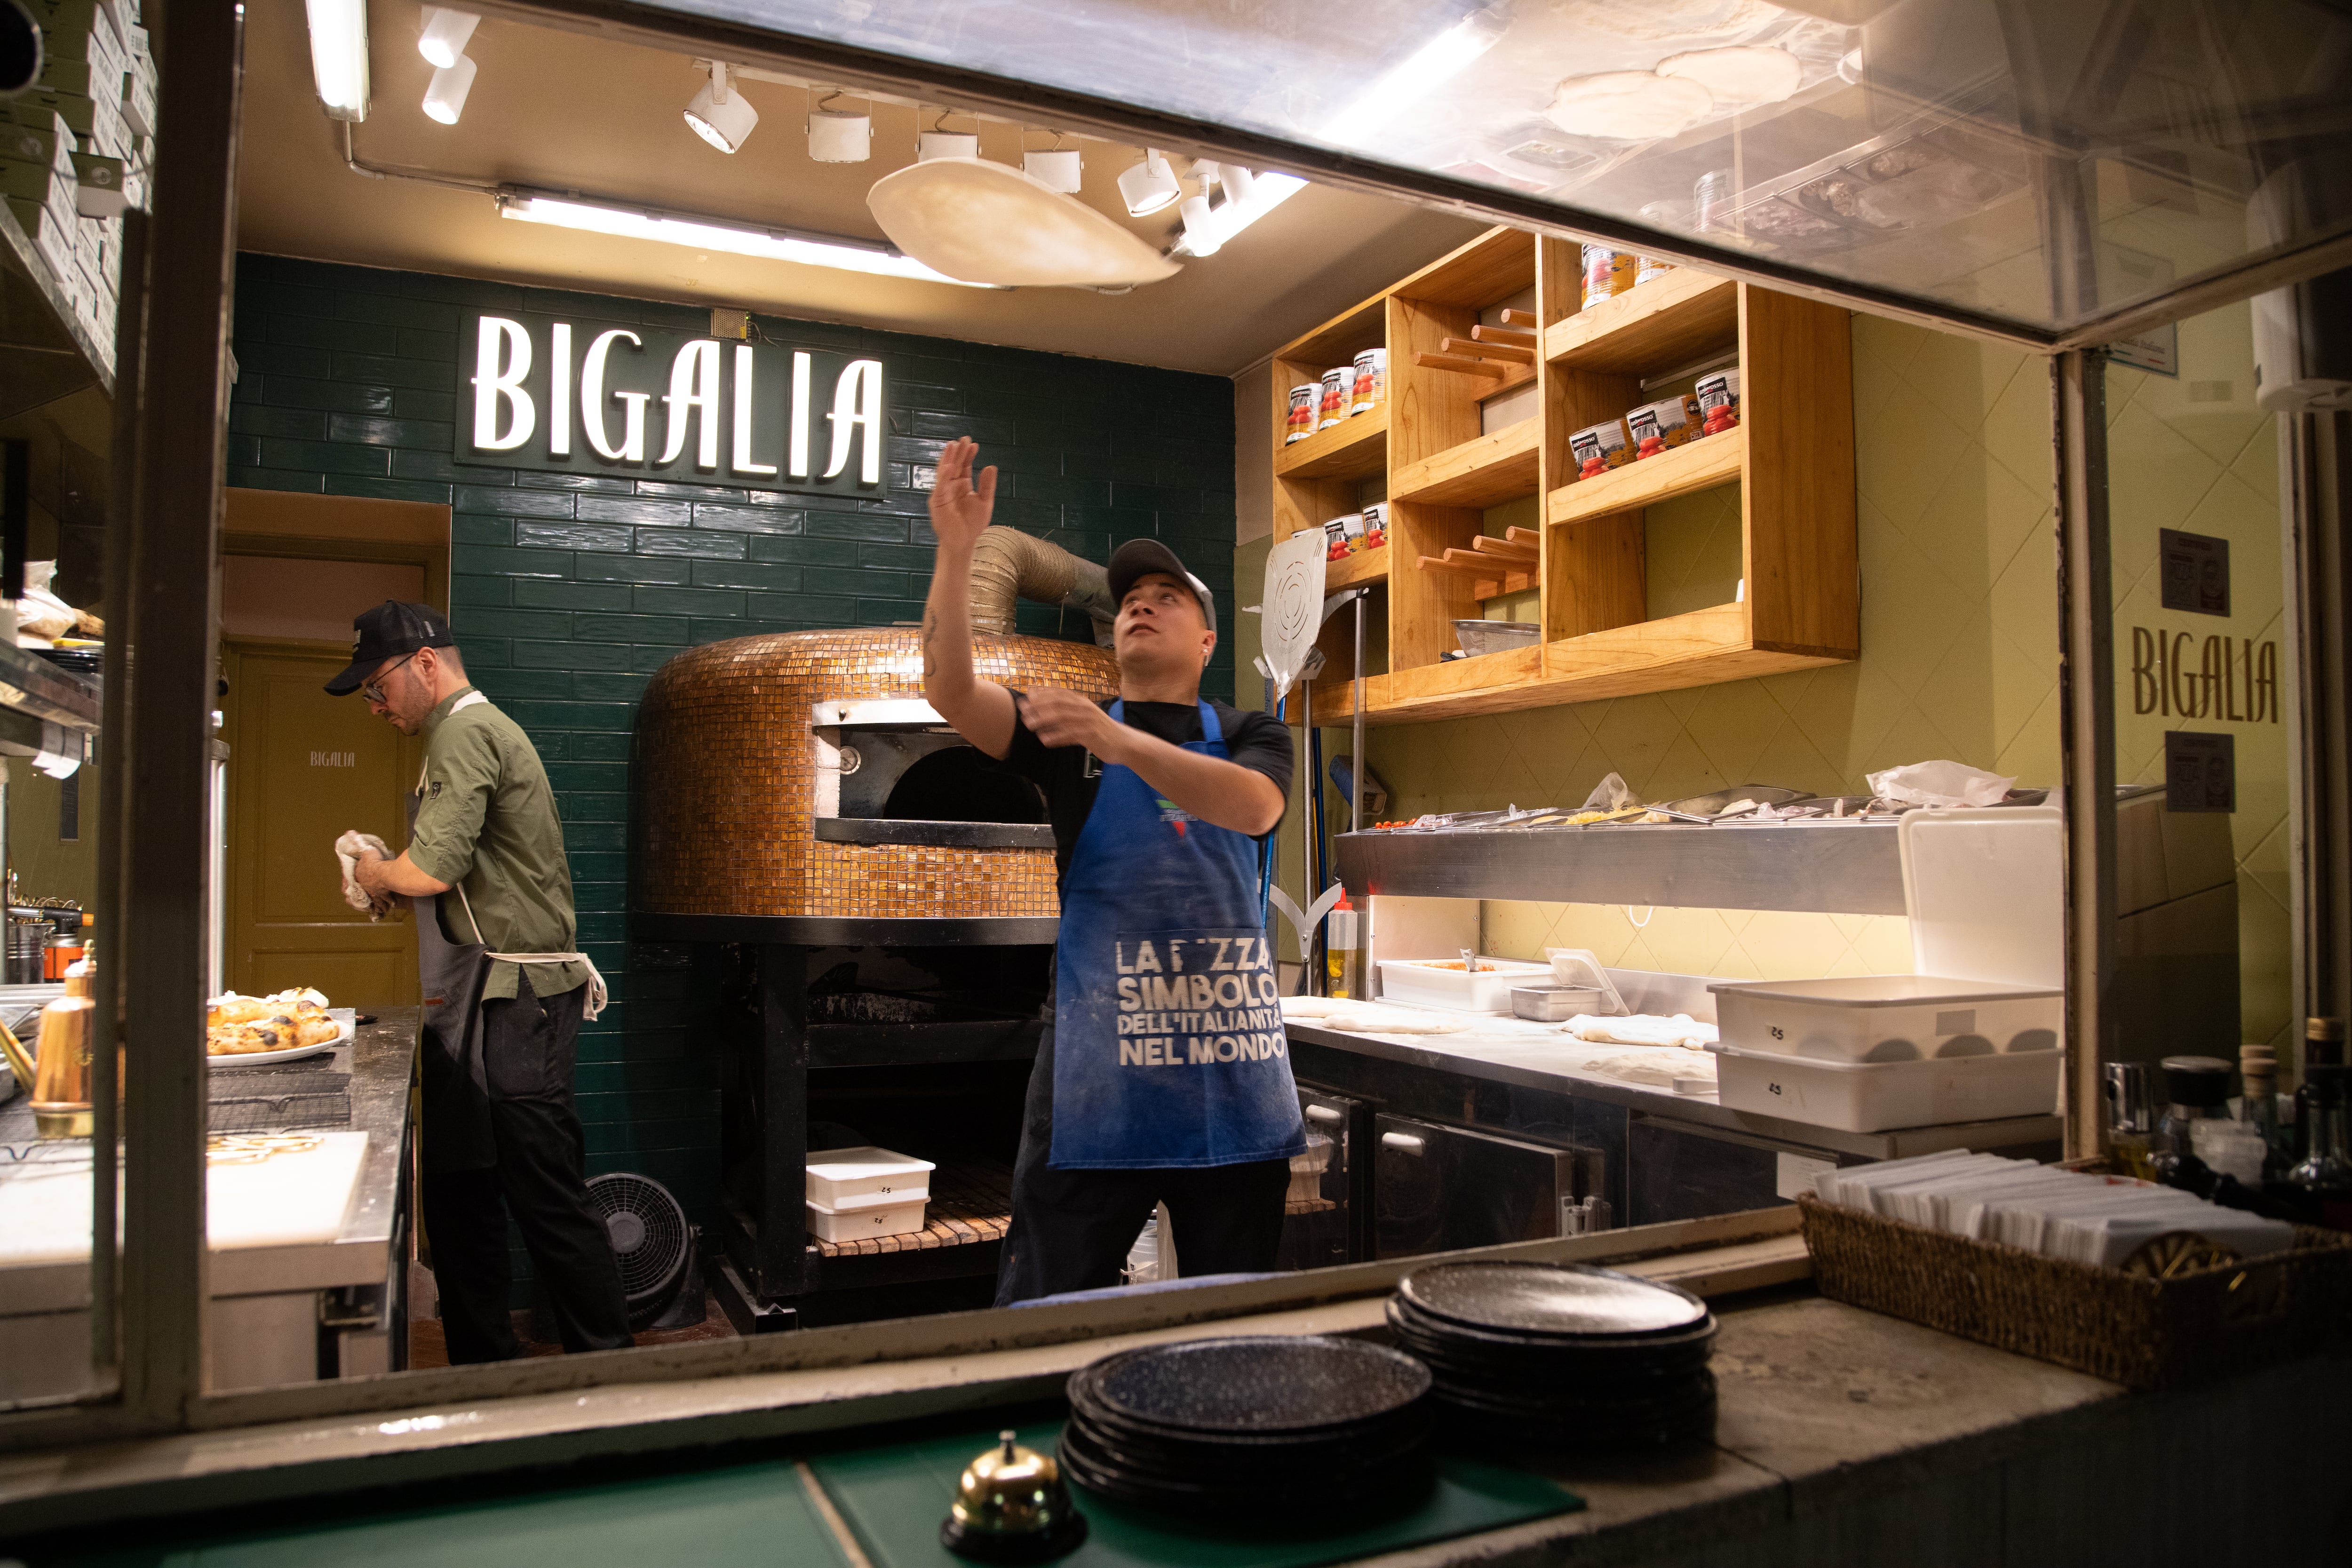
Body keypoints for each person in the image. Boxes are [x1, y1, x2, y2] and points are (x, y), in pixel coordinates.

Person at [919, 437, 1305, 1305]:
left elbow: (1252, 808)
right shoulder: (1066, 734)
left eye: (1166, 598)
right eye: (1129, 597)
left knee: (1233, 1330)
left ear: (1206, 640)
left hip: (1229, 1073)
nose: (1140, 606)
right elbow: (949, 691)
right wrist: (954, 553)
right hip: (1097, 1079)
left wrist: (1118, 737)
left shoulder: (1252, 734)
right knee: (1046, 1316)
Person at [331, 601, 632, 1362]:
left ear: (424, 663)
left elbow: (433, 868)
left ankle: (616, 1374)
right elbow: (462, 873)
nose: (375, 706)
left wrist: (372, 870)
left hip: (516, 1003)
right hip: (484, 997)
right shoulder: (460, 734)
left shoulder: (466, 730)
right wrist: (390, 879)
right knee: (462, 1194)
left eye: (378, 686)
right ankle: (483, 1370)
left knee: (546, 1195)